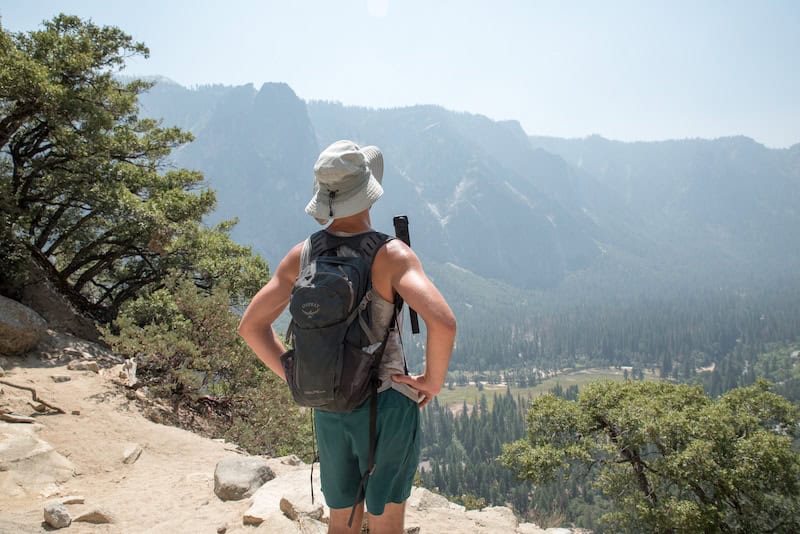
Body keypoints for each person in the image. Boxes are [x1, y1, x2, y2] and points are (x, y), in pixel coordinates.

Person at [238, 140, 456, 534]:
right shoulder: (391, 255)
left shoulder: (302, 255)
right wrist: (432, 381)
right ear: (368, 193)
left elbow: (250, 326)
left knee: (342, 523)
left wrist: (297, 376)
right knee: (386, 523)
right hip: (387, 405)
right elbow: (443, 322)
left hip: (330, 405)